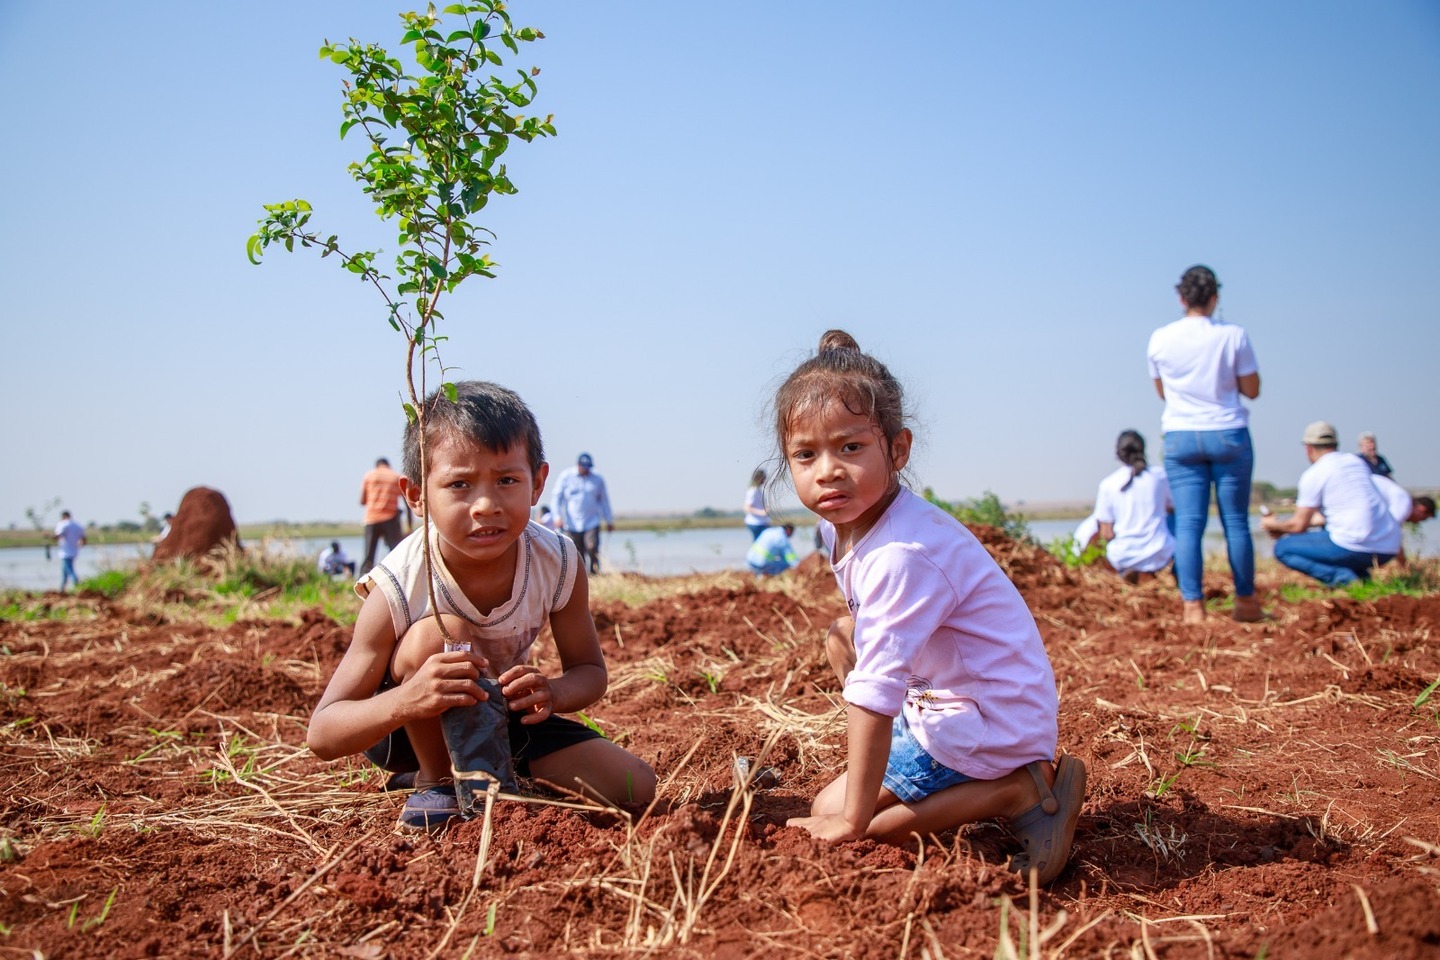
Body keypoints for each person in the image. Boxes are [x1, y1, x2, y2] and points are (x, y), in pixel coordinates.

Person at [776, 330, 1085, 885]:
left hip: (990, 716)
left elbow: (875, 685)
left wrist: (853, 820)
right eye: (806, 454)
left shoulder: (903, 553)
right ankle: (937, 766)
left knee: (845, 823)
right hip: (951, 698)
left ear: (897, 449)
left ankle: (1020, 789)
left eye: (850, 447)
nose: (827, 470)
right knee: (841, 635)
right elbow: (870, 642)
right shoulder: (841, 526)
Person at [308, 382, 655, 832]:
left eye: (507, 480)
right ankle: (437, 781)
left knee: (633, 786)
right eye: (459, 484)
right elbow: (323, 733)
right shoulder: (398, 582)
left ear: (538, 483)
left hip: (501, 718)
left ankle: (496, 775)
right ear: (415, 496)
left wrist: (553, 692)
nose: (486, 505)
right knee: (440, 632)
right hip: (412, 727)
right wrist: (409, 699)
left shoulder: (560, 561)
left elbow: (590, 671)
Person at [1147, 265, 1264, 624]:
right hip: (1227, 432)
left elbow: (1162, 392)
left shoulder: (1160, 339)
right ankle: (1245, 602)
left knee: (1188, 525)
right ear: (1215, 297)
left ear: (1181, 298)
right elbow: (1252, 390)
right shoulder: (1233, 336)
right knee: (1235, 522)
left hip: (1181, 434)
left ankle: (1193, 606)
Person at [1261, 421, 1402, 587]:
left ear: (1308, 448)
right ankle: (1362, 579)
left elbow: (1298, 526)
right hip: (1388, 548)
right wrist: (1283, 528)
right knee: (1333, 535)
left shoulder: (1315, 473)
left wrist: (1273, 524)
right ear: (1335, 444)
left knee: (1283, 548)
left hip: (1355, 547)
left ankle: (1344, 579)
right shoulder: (1356, 462)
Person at [1088, 430, 1174, 582]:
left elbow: (1106, 533)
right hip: (1160, 553)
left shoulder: (1108, 484)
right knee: (1175, 517)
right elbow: (1173, 508)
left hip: (1123, 556)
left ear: (1118, 453)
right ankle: (1174, 570)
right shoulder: (1160, 476)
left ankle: (1130, 570)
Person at [551, 452, 614, 575]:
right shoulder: (566, 476)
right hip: (571, 523)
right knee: (576, 552)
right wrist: (557, 517)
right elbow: (556, 498)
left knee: (592, 547)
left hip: (592, 521)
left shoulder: (598, 479)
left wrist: (609, 520)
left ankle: (595, 573)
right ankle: (581, 577)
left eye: (588, 467)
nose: (586, 470)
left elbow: (604, 501)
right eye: (583, 466)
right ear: (578, 465)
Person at [359, 457, 412, 575]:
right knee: (397, 554)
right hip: (391, 520)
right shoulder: (395, 477)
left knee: (368, 557)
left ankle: (362, 583)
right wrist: (409, 526)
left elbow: (362, 501)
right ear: (388, 465)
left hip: (371, 519)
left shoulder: (369, 476)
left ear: (377, 465)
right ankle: (401, 580)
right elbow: (408, 503)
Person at [53, 510, 86, 593]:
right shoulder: (77, 525)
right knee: (64, 571)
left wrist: (49, 537)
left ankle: (77, 585)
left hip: (65, 552)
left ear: (63, 516)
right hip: (74, 551)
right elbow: (84, 539)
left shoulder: (63, 524)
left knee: (70, 570)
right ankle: (62, 590)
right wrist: (80, 545)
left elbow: (58, 536)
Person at [743, 468, 771, 540]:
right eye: (763, 478)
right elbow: (746, 508)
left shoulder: (758, 490)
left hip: (761, 522)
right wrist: (761, 512)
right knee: (760, 544)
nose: (764, 480)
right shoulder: (753, 491)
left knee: (762, 543)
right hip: (756, 522)